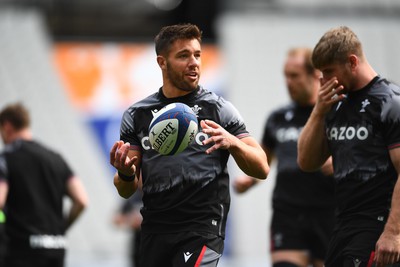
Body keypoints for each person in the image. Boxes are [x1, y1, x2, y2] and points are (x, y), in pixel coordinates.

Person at [109, 23, 270, 267]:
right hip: (155, 230)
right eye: (183, 55)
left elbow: (262, 167)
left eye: (197, 54)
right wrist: (125, 172)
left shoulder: (218, 109)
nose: (194, 62)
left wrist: (233, 142)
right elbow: (125, 189)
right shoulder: (137, 114)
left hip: (202, 227)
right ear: (162, 62)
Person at [297, 26, 400, 267]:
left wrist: (393, 232)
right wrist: (319, 110)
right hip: (343, 225)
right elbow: (307, 161)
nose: (323, 80)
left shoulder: (389, 101)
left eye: (329, 71)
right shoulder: (334, 104)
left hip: (379, 225)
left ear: (352, 62)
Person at [234, 47, 336, 267]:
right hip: (287, 211)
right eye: (286, 76)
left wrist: (340, 162)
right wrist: (249, 180)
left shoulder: (334, 114)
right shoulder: (277, 118)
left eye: (294, 76)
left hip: (327, 211)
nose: (288, 82)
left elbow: (362, 154)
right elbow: (265, 157)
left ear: (314, 76)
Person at [0, 102, 88, 267]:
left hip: (21, 252)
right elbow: (81, 200)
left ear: (7, 126)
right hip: (56, 249)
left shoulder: (5, 158)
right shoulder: (56, 158)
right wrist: (60, 229)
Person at [113, 188, 143, 267]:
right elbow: (116, 219)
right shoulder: (133, 197)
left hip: (155, 242)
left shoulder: (156, 194)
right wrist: (131, 220)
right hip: (138, 244)